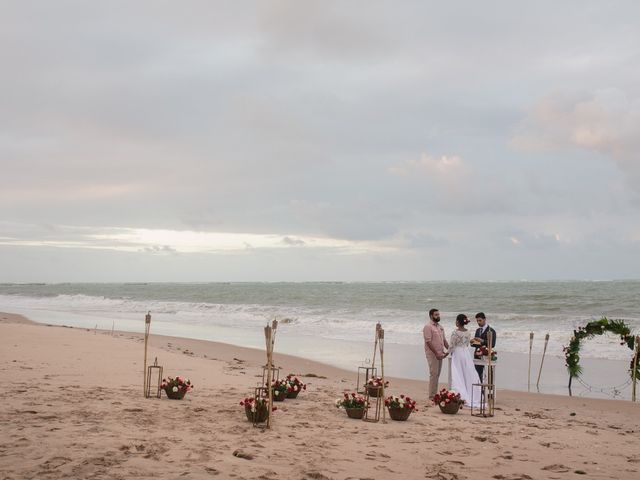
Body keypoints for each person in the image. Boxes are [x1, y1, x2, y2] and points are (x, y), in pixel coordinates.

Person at [449, 314, 482, 407]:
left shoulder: (455, 332)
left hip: (458, 353)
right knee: (467, 373)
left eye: (456, 321)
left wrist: (447, 353)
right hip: (466, 353)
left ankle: (461, 394)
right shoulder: (468, 332)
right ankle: (470, 393)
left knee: (458, 373)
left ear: (458, 322)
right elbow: (467, 344)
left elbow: (452, 345)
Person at [423, 308, 449, 399]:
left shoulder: (440, 327)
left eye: (439, 314)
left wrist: (449, 349)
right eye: (436, 315)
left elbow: (444, 340)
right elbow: (428, 341)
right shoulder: (428, 326)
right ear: (431, 316)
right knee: (434, 374)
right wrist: (436, 353)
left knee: (437, 374)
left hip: (440, 353)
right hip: (432, 354)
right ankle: (432, 396)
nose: (438, 316)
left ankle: (434, 394)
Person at [473, 312, 497, 380]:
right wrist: (472, 342)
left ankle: (489, 389)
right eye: (477, 321)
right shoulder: (477, 330)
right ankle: (479, 390)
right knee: (477, 375)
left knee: (489, 377)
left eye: (480, 320)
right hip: (477, 355)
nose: (478, 322)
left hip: (487, 355)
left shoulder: (491, 331)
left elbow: (492, 344)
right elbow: (476, 344)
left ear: (485, 319)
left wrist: (482, 341)